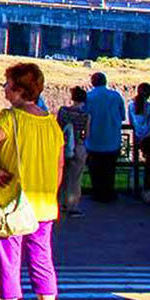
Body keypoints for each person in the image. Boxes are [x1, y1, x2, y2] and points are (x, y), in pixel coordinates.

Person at [0, 63, 64, 300]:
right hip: (44, 205)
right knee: (41, 259)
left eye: (7, 84)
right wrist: (51, 191)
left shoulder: (8, 118)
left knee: (8, 260)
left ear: (18, 90)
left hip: (13, 202)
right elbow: (60, 165)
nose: (4, 88)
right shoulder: (52, 124)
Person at [85, 72, 125, 203]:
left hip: (94, 140)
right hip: (112, 138)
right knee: (110, 168)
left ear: (92, 82)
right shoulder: (116, 96)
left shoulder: (88, 97)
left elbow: (85, 117)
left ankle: (97, 193)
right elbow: (122, 115)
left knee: (95, 169)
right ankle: (109, 192)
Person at [56, 87, 90, 217]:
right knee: (75, 179)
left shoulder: (63, 111)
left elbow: (57, 127)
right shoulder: (85, 116)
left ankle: (60, 203)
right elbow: (86, 135)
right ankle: (73, 206)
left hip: (62, 147)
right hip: (78, 147)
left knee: (62, 176)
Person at [128, 83, 150, 203]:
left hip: (140, 138)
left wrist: (139, 137)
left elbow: (133, 123)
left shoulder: (132, 106)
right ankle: (149, 188)